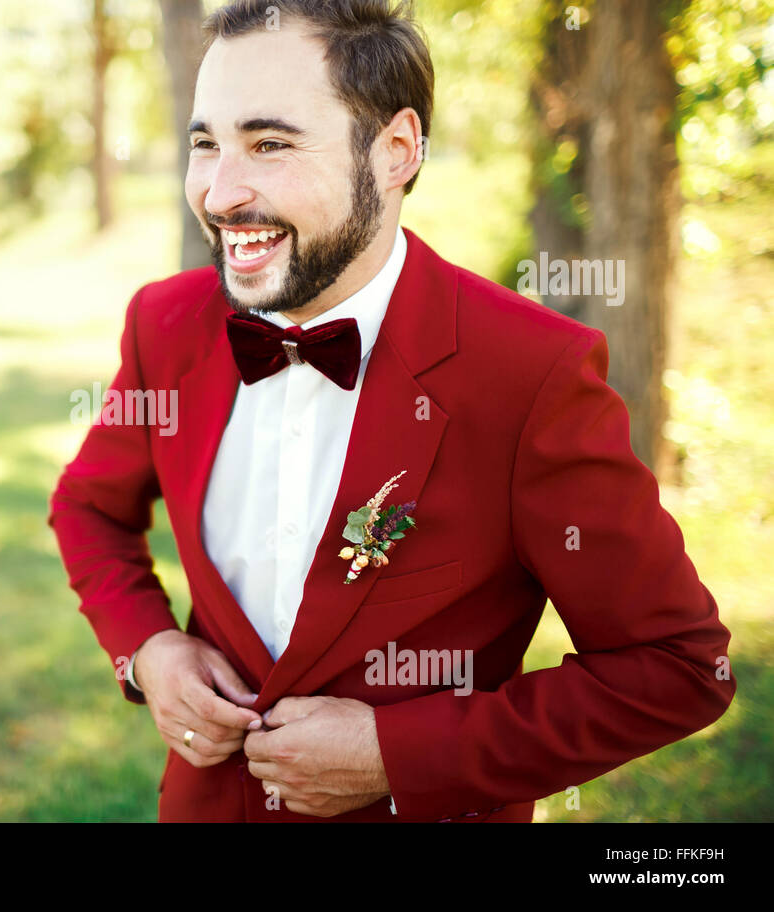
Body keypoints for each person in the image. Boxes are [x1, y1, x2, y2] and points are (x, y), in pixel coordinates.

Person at [47, 0, 735, 822]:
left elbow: (676, 666)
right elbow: (86, 506)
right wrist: (149, 650)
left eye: (269, 144)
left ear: (396, 150)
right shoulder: (166, 323)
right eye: (206, 145)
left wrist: (398, 755)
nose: (221, 193)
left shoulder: (531, 372)